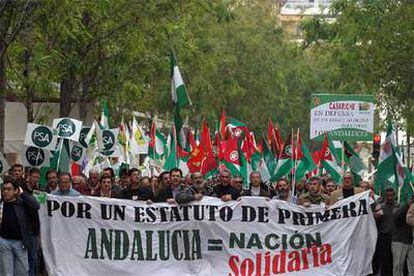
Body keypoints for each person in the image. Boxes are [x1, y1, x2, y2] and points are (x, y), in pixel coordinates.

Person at [0, 177, 40, 276]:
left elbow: (36, 205)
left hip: (20, 243)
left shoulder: (22, 203)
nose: (5, 192)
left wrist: (22, 193)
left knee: (22, 272)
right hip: (4, 242)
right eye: (3, 189)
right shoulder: (1, 203)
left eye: (9, 189)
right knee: (6, 272)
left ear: (16, 190)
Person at [372, 186, 399, 276]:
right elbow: (375, 223)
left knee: (395, 261)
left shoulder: (399, 206)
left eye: (391, 195)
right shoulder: (380, 207)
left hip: (396, 238)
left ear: (395, 195)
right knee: (384, 261)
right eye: (387, 195)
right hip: (384, 238)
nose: (390, 197)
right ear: (384, 196)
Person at [392, 196, 414, 276]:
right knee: (398, 266)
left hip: (412, 241)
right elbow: (396, 217)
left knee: (413, 267)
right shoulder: (402, 206)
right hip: (400, 241)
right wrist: (407, 205)